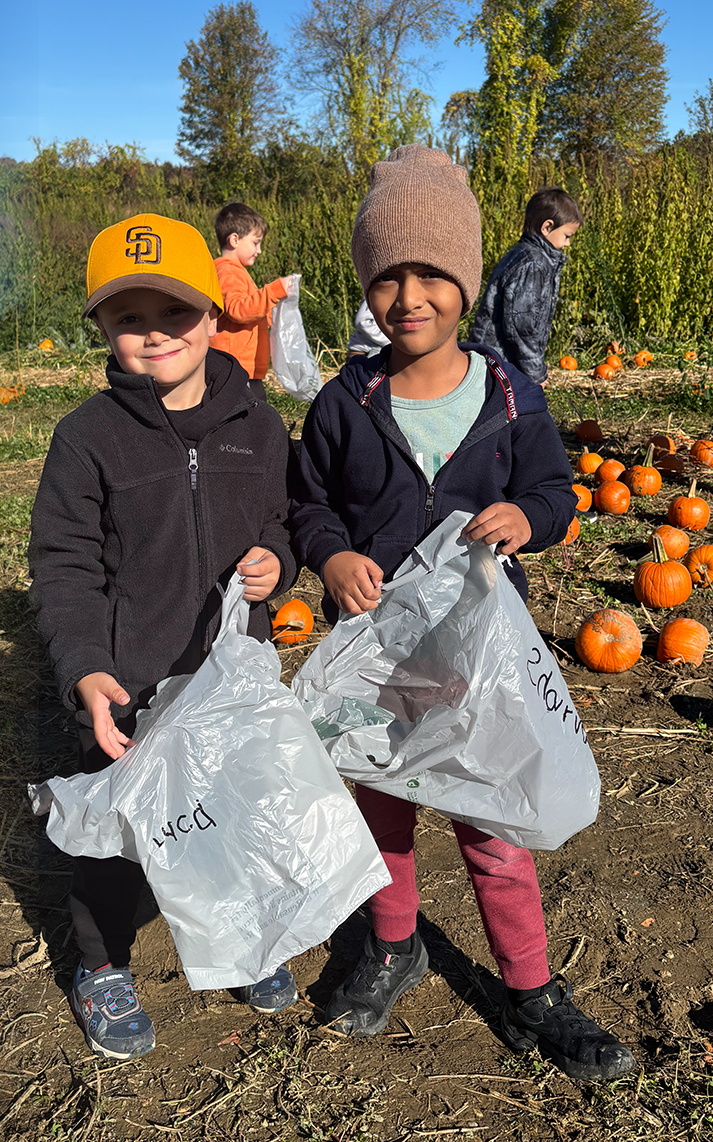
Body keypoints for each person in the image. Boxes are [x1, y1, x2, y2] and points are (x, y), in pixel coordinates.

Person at [289, 145, 634, 1082]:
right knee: (384, 805)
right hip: (383, 654)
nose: (411, 296)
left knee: (490, 823)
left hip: (483, 655)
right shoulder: (342, 404)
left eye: (434, 273)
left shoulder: (513, 399)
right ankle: (394, 946)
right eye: (389, 276)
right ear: (367, 286)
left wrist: (534, 514)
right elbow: (308, 501)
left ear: (467, 280)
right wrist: (333, 553)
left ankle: (530, 986)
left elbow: (557, 491)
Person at [30, 213, 299, 1060]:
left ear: (215, 315)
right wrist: (87, 667)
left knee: (234, 810)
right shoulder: (87, 439)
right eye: (129, 317)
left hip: (229, 673)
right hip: (129, 677)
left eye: (175, 313)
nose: (155, 335)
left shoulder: (258, 428)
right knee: (116, 837)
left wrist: (277, 564)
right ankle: (103, 961)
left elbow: (283, 524)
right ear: (103, 328)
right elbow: (63, 566)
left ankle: (239, 931)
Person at [468, 188, 584, 385]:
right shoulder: (533, 264)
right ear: (547, 227)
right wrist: (535, 373)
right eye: (566, 236)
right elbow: (523, 327)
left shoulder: (522, 254)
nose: (568, 244)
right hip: (498, 362)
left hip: (498, 359)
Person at [210, 202, 296, 382]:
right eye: (255, 243)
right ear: (234, 240)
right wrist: (274, 291)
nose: (259, 250)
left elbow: (250, 310)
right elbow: (239, 310)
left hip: (243, 368)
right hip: (235, 367)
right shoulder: (227, 272)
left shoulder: (236, 271)